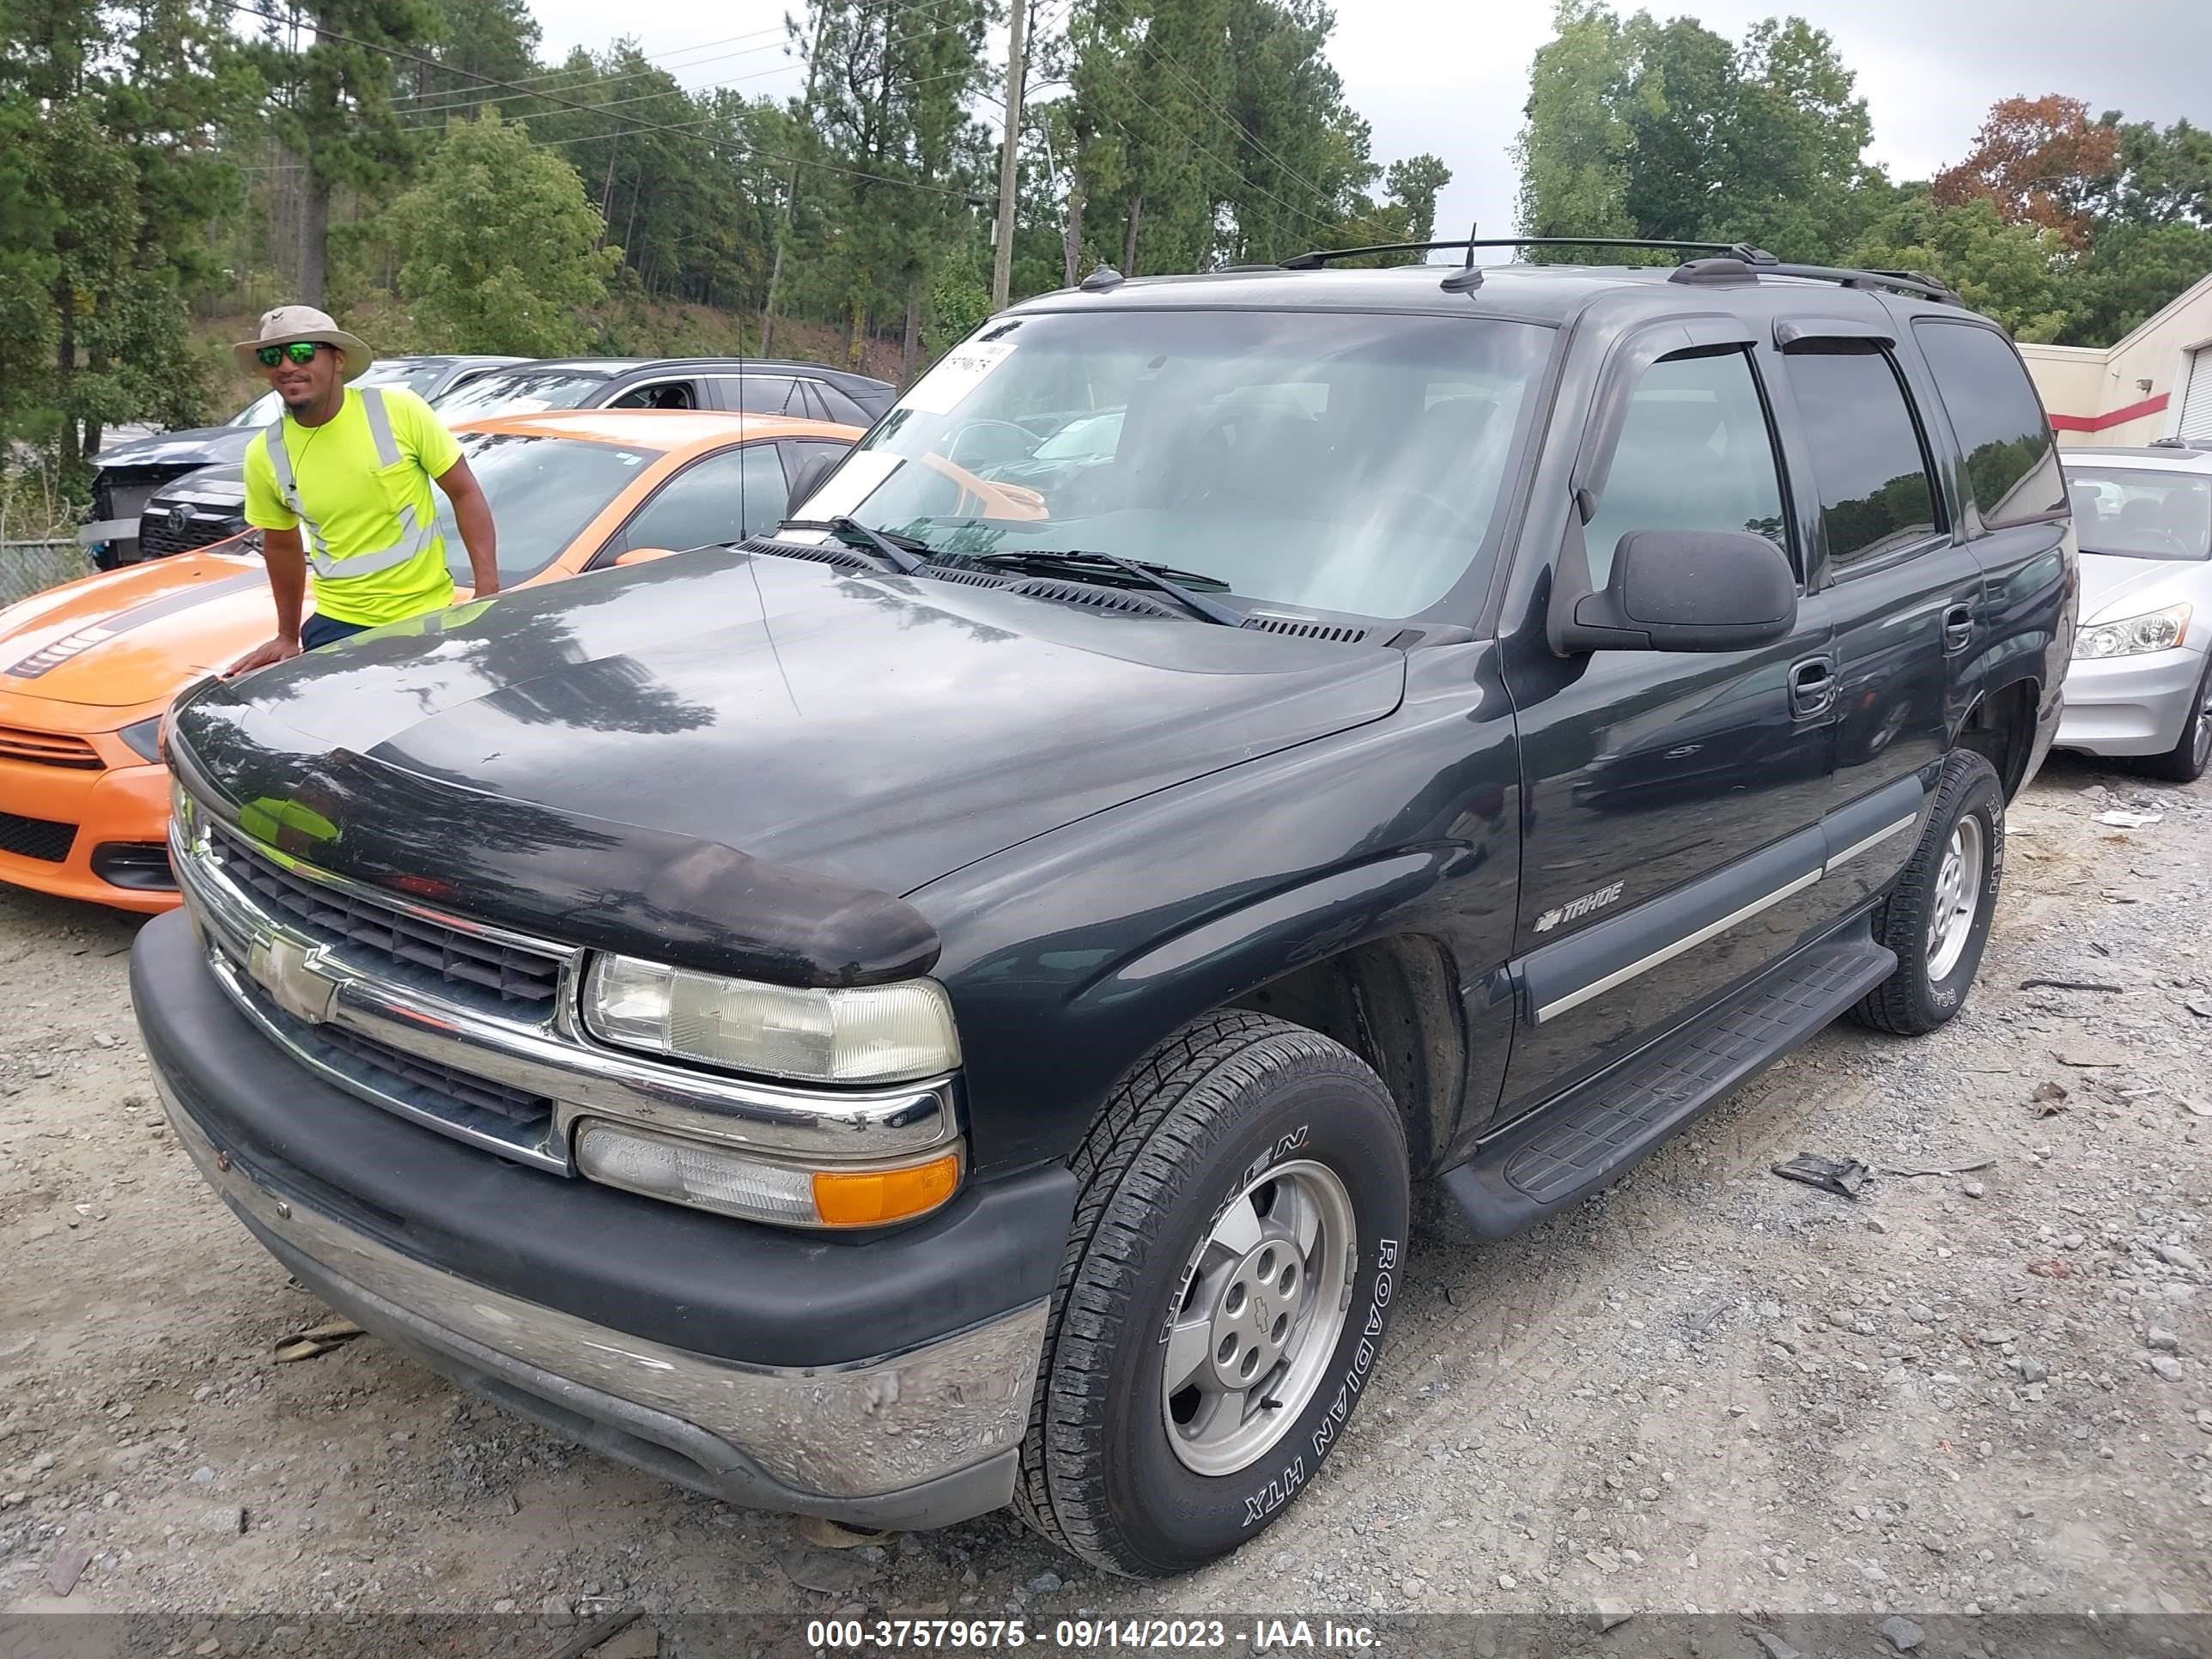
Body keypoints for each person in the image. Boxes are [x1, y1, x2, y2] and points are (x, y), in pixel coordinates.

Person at [227, 306, 499, 674]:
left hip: (426, 620)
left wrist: (487, 595)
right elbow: (281, 545)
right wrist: (287, 636)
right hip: (336, 629)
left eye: (302, 352)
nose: (287, 366)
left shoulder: (399, 412)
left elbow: (464, 492)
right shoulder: (264, 453)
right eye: (273, 356)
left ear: (338, 360)